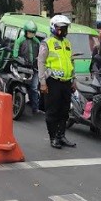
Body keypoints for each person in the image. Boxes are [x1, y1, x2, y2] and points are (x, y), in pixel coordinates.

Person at [38, 15, 76, 149]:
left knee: (65, 111)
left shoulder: (67, 43)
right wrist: (42, 82)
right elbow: (41, 62)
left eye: (65, 28)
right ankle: (53, 137)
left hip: (66, 82)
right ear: (53, 28)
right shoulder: (46, 43)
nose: (64, 31)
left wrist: (73, 79)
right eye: (61, 28)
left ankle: (61, 136)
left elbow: (71, 62)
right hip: (52, 82)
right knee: (52, 111)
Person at [13, 21, 41, 113]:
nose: (31, 34)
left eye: (33, 32)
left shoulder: (37, 41)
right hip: (21, 67)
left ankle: (35, 108)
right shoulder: (20, 40)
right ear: (25, 31)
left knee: (34, 88)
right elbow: (15, 54)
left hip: (34, 68)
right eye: (29, 32)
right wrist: (19, 60)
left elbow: (41, 55)